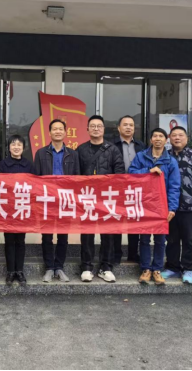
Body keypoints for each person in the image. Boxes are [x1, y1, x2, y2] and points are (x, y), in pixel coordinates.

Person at [129, 128, 180, 286]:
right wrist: (148, 171)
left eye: (161, 136)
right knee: (144, 239)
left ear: (166, 140)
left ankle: (157, 269)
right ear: (151, 140)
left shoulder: (171, 161)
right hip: (144, 203)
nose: (158, 139)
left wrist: (172, 208)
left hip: (161, 206)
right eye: (155, 136)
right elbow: (131, 173)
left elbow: (174, 187)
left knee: (160, 239)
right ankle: (145, 269)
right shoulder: (141, 156)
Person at [78, 115, 125, 283]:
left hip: (107, 198)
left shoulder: (113, 150)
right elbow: (75, 175)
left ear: (104, 129)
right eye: (93, 126)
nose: (96, 128)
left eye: (99, 126)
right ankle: (86, 267)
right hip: (87, 197)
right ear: (87, 129)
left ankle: (106, 267)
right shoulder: (81, 149)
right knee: (87, 234)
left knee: (108, 234)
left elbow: (120, 173)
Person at [34, 119, 81, 283]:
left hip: (65, 200)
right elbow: (36, 178)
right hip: (47, 199)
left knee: (63, 236)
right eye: (55, 129)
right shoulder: (41, 153)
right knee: (46, 236)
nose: (58, 131)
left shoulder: (73, 154)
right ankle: (49, 268)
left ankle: (59, 267)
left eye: (61, 129)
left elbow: (77, 178)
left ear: (65, 132)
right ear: (50, 132)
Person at [161, 126, 192, 285]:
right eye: (174, 135)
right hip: (169, 206)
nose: (177, 138)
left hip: (189, 206)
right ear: (169, 138)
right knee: (171, 239)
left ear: (187, 138)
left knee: (189, 239)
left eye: (180, 135)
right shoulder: (165, 156)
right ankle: (172, 267)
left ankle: (188, 268)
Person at [0, 135, 35, 287]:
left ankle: (19, 270)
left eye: (19, 144)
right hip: (7, 207)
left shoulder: (29, 165)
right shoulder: (3, 165)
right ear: (9, 147)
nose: (16, 147)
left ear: (23, 148)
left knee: (20, 240)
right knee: (9, 240)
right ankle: (10, 271)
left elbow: (35, 185)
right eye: (13, 144)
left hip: (23, 207)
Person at [113, 115, 147, 265]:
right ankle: (116, 253)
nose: (128, 127)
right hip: (117, 189)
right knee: (117, 221)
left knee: (134, 221)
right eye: (125, 125)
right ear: (118, 128)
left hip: (136, 189)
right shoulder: (111, 145)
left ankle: (133, 253)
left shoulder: (141, 146)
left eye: (131, 125)